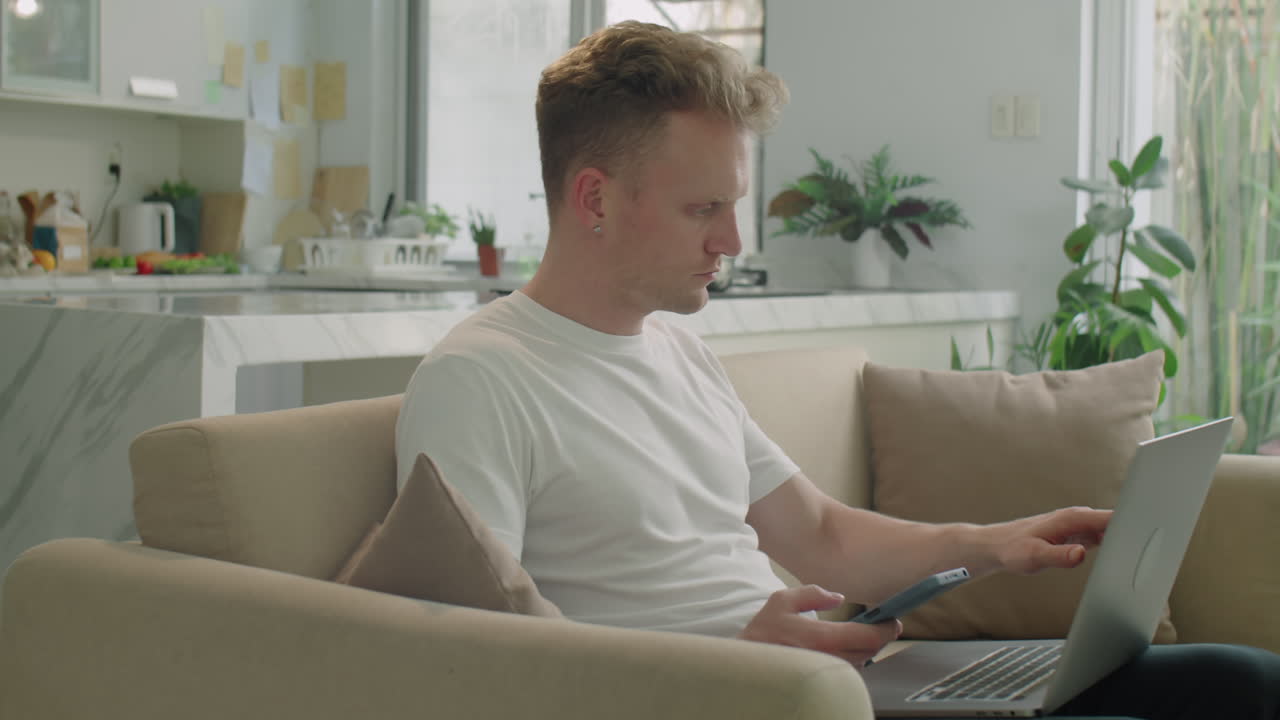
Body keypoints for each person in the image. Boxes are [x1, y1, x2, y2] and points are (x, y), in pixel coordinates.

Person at [397, 20, 1280, 718]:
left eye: (732, 206)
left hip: (823, 691)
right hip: (728, 702)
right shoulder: (480, 381)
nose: (732, 242)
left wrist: (995, 546)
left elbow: (817, 534)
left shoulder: (678, 352)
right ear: (593, 198)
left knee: (1238, 681)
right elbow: (482, 655)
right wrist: (726, 664)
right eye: (703, 208)